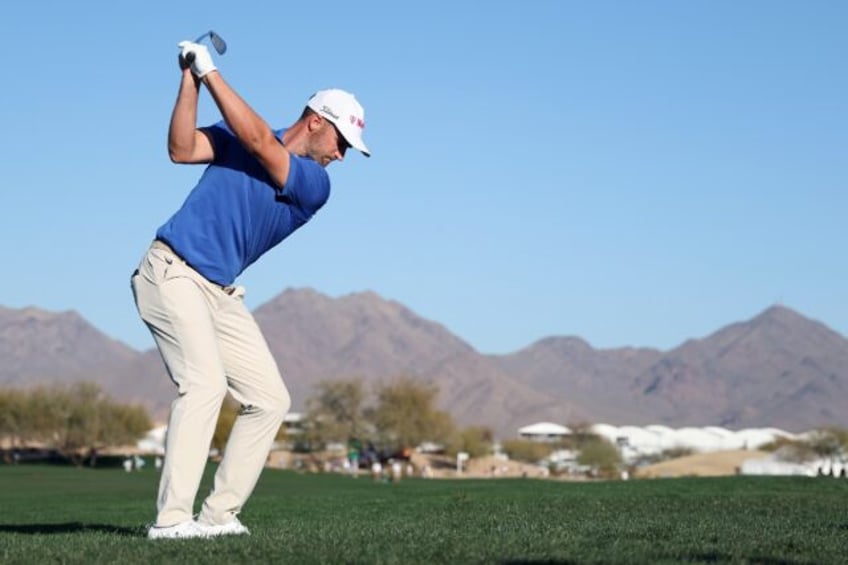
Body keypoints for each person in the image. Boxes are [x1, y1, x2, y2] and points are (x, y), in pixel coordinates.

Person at [131, 39, 370, 540]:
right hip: (171, 271)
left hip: (218, 292)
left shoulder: (314, 184)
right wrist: (189, 81)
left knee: (270, 399)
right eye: (342, 144)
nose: (342, 157)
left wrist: (210, 69)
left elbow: (262, 141)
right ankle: (172, 520)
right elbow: (181, 149)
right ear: (317, 121)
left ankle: (218, 515)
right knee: (204, 385)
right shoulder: (238, 138)